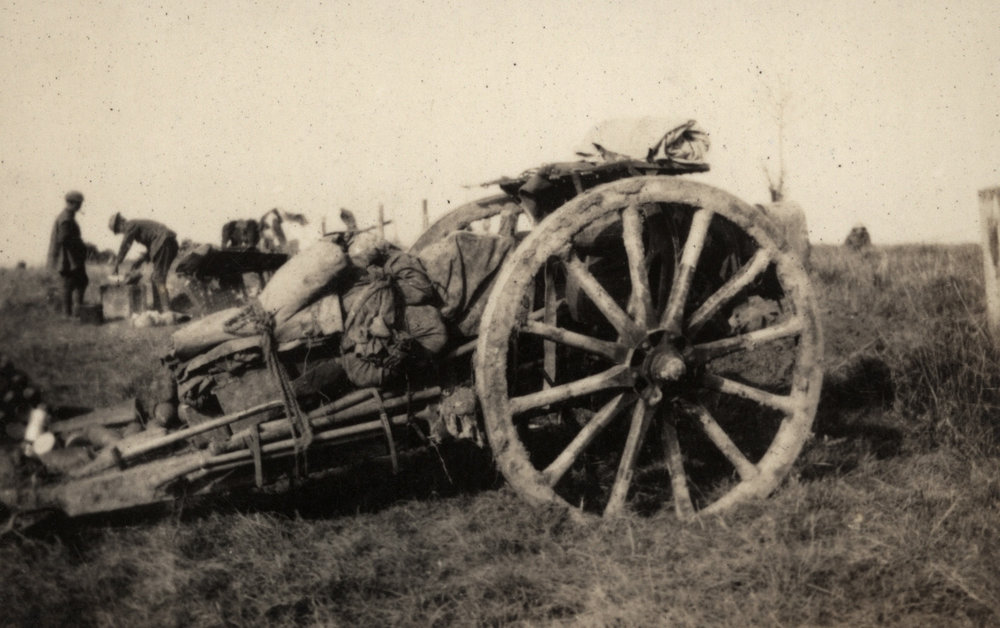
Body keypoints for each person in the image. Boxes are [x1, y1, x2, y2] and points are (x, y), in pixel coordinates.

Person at [109, 213, 179, 312]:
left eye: (119, 230)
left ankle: (166, 309)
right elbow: (152, 246)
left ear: (120, 223)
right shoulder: (137, 225)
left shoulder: (130, 224)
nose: (122, 232)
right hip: (170, 243)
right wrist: (141, 260)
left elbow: (125, 244)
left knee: (158, 278)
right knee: (156, 278)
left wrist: (117, 263)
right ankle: (159, 307)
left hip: (164, 242)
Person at [47, 191, 88, 317]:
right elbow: (64, 238)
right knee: (70, 284)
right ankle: (70, 313)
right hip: (67, 258)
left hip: (69, 258)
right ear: (72, 203)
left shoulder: (68, 216)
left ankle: (74, 311)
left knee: (78, 282)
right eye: (78, 203)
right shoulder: (66, 218)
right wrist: (80, 246)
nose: (80, 206)